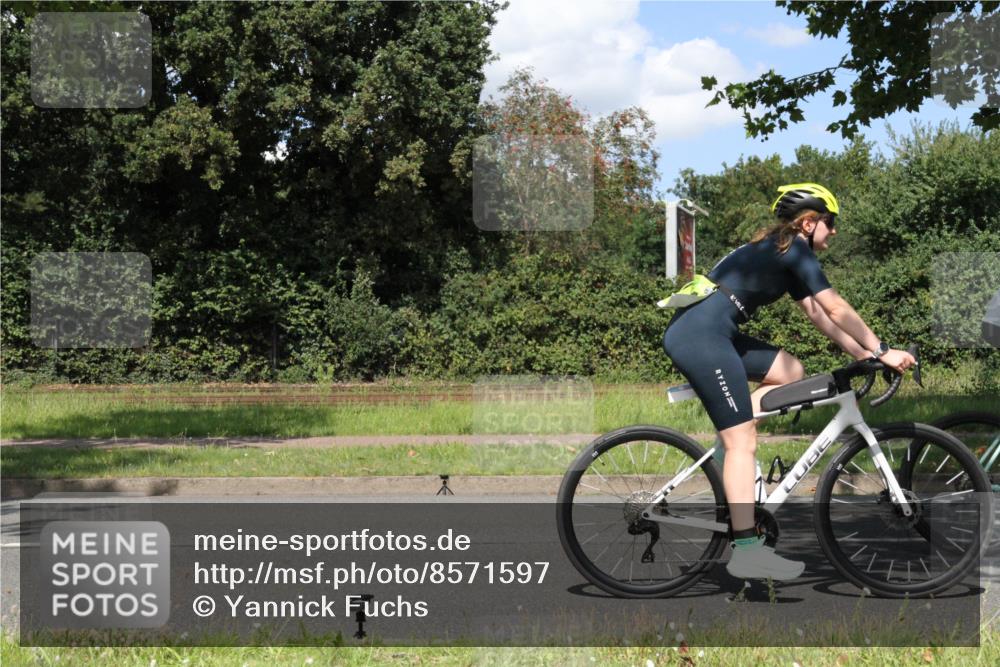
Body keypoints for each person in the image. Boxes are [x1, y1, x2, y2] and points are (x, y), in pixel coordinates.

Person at [661, 183, 917, 581]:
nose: (834, 231)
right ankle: (746, 550)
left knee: (790, 372)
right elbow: (835, 306)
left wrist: (863, 355)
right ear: (809, 223)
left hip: (712, 333)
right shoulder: (794, 249)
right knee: (743, 440)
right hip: (701, 337)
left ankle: (731, 447)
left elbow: (819, 314)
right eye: (830, 223)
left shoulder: (782, 251)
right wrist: (882, 349)